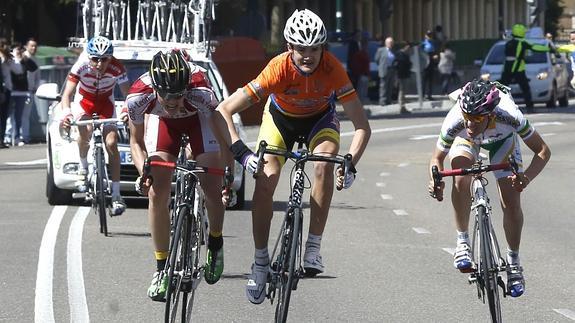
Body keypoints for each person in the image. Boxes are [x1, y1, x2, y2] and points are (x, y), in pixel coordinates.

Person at [213, 8, 371, 304]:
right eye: (301, 49)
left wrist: (351, 162)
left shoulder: (333, 69)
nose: (308, 55)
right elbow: (223, 110)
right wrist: (241, 153)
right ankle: (260, 262)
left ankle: (313, 246)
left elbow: (362, 127)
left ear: (323, 48)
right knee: (265, 181)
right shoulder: (277, 69)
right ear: (289, 48)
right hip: (280, 120)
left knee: (324, 164)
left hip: (319, 121)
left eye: (315, 48)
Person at [428, 79, 551, 298]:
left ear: (491, 115)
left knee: (511, 202)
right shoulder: (457, 120)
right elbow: (437, 158)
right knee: (460, 175)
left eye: (476, 119)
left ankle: (513, 263)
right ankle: (462, 241)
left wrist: (526, 178)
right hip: (468, 143)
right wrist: (436, 181)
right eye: (467, 118)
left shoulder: (509, 115)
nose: (470, 125)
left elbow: (543, 151)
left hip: (502, 142)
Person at [126, 49, 232, 301]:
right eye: (165, 96)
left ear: (187, 87)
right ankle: (162, 269)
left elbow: (223, 136)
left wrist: (228, 174)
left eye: (178, 95)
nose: (172, 102)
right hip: (165, 128)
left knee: (212, 187)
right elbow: (136, 142)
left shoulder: (201, 92)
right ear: (154, 89)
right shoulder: (138, 97)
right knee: (156, 192)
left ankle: (215, 243)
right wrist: (144, 173)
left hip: (199, 124)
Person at [59, 36, 129, 215]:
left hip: (106, 103)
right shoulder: (80, 66)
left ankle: (115, 193)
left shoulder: (117, 68)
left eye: (104, 58)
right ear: (88, 57)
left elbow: (128, 95)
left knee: (112, 143)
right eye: (95, 58)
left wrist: (126, 111)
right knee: (85, 129)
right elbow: (67, 94)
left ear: (110, 58)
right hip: (84, 102)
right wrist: (67, 113)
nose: (99, 63)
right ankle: (83, 168)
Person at [499, 23, 549, 113]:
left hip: (506, 68)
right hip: (518, 69)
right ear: (521, 32)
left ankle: (499, 108)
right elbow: (535, 47)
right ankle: (529, 107)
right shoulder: (522, 42)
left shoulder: (508, 42)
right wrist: (548, 49)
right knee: (525, 89)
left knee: (502, 89)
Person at [8, 43, 38, 146]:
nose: (19, 52)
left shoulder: (24, 61)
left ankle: (17, 137)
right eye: (17, 50)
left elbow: (34, 68)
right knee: (9, 116)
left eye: (20, 50)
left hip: (22, 92)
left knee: (18, 116)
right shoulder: (10, 62)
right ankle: (8, 137)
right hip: (11, 91)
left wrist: (25, 58)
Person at [22, 38, 41, 145]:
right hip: (19, 90)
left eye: (35, 46)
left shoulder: (36, 60)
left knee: (25, 115)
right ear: (26, 46)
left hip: (30, 90)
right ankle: (13, 136)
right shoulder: (22, 57)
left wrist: (36, 87)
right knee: (16, 115)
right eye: (31, 46)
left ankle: (25, 136)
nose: (33, 48)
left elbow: (38, 76)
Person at [374, 37, 396, 105]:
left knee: (390, 86)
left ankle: (389, 100)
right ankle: (382, 101)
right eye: (390, 43)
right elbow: (376, 59)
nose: (391, 44)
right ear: (386, 43)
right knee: (383, 86)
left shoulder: (394, 51)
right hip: (384, 70)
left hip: (392, 70)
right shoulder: (381, 50)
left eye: (392, 43)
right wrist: (381, 66)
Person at [349, 37, 370, 103]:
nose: (366, 47)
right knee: (361, 89)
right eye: (365, 46)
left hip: (365, 74)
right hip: (362, 74)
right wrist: (359, 74)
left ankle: (362, 101)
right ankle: (360, 102)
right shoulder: (359, 54)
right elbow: (357, 66)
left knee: (364, 89)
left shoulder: (365, 53)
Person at [393, 42, 412, 114]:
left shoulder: (405, 54)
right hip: (401, 75)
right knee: (402, 91)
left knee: (403, 91)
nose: (409, 49)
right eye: (408, 47)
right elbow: (400, 65)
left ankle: (403, 106)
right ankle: (401, 106)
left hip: (404, 75)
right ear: (405, 47)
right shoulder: (400, 54)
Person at [421, 30, 438, 100]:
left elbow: (435, 51)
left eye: (430, 35)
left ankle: (429, 95)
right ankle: (422, 95)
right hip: (425, 63)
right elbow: (421, 54)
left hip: (431, 63)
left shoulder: (433, 43)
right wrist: (431, 57)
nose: (429, 37)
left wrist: (435, 56)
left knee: (430, 80)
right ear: (425, 36)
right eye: (428, 35)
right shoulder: (423, 44)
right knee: (424, 80)